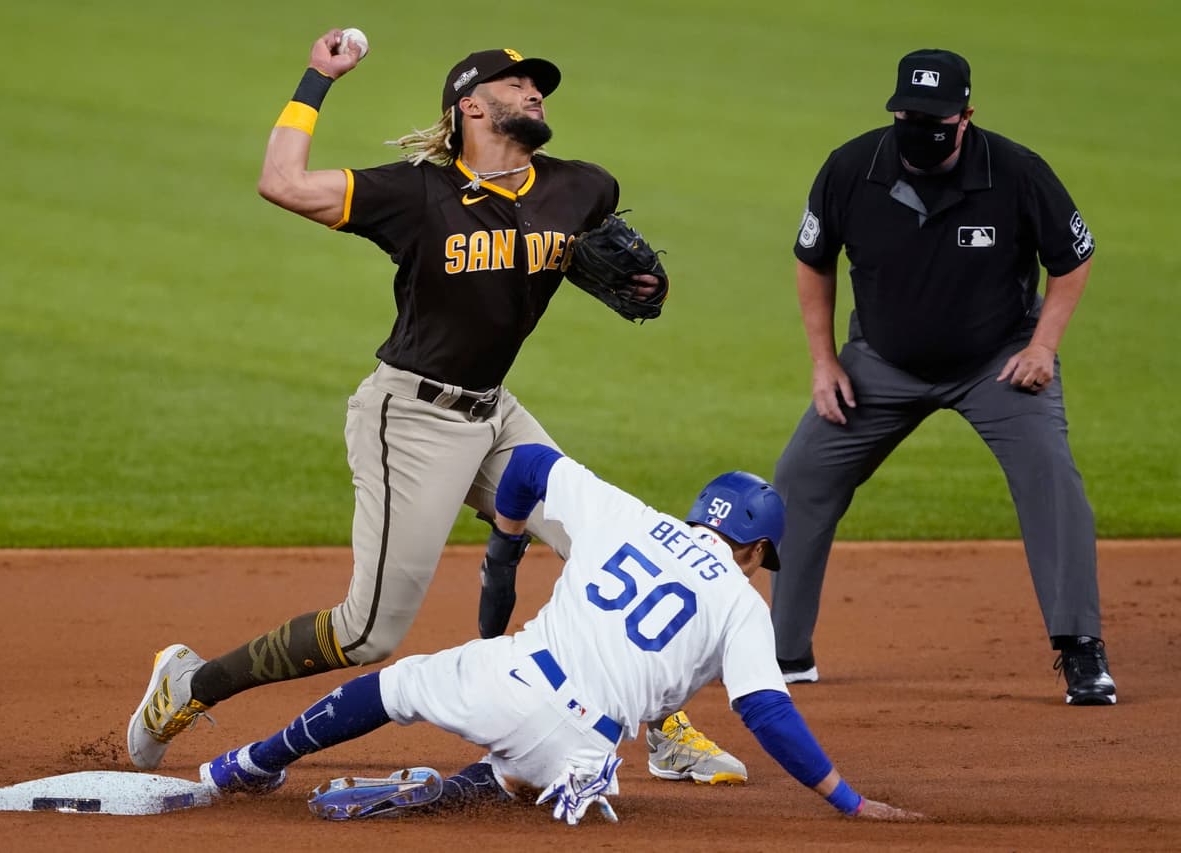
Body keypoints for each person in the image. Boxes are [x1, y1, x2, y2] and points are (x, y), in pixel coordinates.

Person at [126, 28, 741, 782]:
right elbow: (281, 182)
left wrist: (644, 287)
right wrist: (318, 79)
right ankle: (188, 683)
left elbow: (579, 254)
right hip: (411, 419)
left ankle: (665, 729)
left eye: (538, 84)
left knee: (619, 555)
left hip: (497, 414)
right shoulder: (416, 193)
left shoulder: (581, 185)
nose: (534, 93)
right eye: (516, 85)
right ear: (471, 109)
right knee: (368, 633)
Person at [194, 444, 921, 825]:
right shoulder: (742, 603)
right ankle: (455, 792)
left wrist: (505, 545)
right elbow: (766, 709)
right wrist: (848, 800)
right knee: (516, 771)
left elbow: (531, 465)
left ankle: (248, 764)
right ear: (756, 549)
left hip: (512, 679)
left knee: (396, 685)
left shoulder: (627, 514)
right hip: (585, 750)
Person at [772, 48, 1116, 706]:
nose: (921, 129)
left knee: (1051, 475)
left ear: (966, 117)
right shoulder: (851, 168)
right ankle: (785, 650)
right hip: (880, 362)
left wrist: (1044, 345)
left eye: (936, 118)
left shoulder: (1016, 172)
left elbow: (1073, 258)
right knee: (801, 476)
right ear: (895, 110)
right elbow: (812, 260)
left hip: (998, 362)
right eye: (910, 115)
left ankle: (1081, 648)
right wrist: (823, 361)